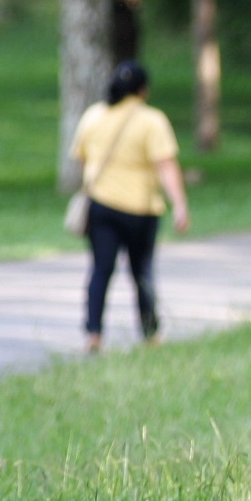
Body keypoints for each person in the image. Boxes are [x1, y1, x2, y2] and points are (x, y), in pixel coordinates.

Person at [69, 60, 190, 352]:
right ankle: (150, 334)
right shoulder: (152, 120)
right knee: (142, 271)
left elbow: (82, 158)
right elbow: (166, 166)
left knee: (101, 269)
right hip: (141, 208)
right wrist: (180, 205)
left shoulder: (93, 116)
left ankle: (93, 332)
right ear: (143, 89)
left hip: (101, 205)